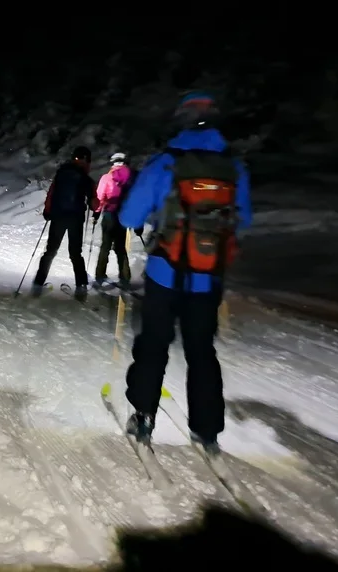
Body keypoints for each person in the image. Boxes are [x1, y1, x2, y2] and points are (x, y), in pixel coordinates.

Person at [117, 91, 253, 455]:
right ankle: (207, 429)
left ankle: (143, 415)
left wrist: (161, 219)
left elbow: (129, 216)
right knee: (201, 350)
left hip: (165, 271)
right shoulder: (233, 167)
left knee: (154, 343)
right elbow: (244, 219)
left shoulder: (165, 163)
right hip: (208, 278)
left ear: (181, 120)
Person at [32, 145, 99, 300]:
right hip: (75, 219)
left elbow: (51, 192)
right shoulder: (86, 179)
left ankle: (37, 284)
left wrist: (47, 211)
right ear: (87, 161)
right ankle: (81, 287)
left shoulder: (61, 173)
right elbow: (95, 204)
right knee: (75, 253)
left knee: (50, 251)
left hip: (58, 217)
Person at [92, 152, 133, 289]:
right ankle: (125, 278)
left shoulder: (107, 177)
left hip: (109, 214)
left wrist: (96, 213)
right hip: (122, 215)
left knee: (105, 246)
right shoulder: (130, 178)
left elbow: (99, 197)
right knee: (120, 247)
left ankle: (100, 276)